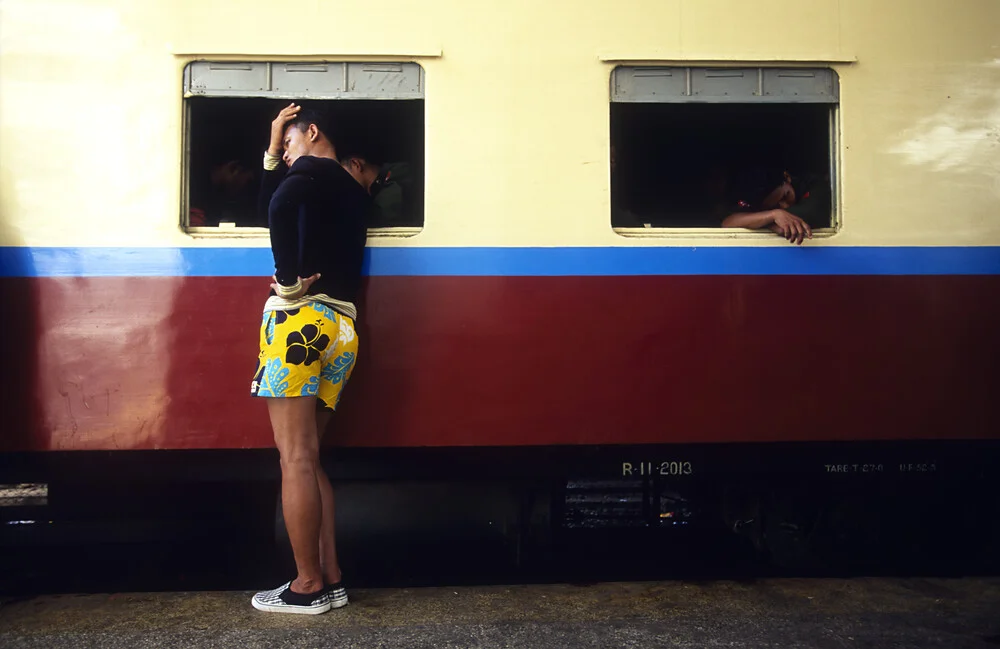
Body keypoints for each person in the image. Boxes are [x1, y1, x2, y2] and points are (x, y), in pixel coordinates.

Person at [248, 103, 371, 614]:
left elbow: (272, 210)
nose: (287, 154)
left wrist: (290, 279)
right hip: (343, 327)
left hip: (300, 323)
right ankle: (332, 578)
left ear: (312, 132)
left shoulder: (311, 170)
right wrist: (275, 149)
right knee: (311, 458)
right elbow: (272, 202)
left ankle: (306, 587)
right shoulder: (350, 186)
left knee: (293, 458)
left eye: (291, 142)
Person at [720, 167, 817, 245]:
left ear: (787, 177)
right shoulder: (762, 205)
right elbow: (728, 222)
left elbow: (812, 213)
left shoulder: (816, 187)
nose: (785, 207)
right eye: (776, 205)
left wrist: (762, 222)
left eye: (785, 196)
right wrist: (773, 215)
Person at [339, 153, 417, 226]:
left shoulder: (400, 172)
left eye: (345, 177)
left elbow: (385, 214)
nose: (345, 185)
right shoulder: (373, 192)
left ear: (355, 164)